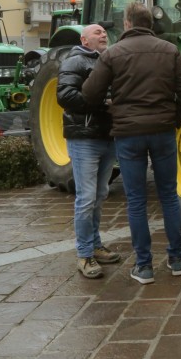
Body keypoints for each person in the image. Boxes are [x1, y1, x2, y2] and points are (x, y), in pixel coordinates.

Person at [82, 2, 181, 285]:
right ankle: (176, 259)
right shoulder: (169, 50)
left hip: (129, 134)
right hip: (162, 131)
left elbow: (90, 94)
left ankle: (144, 267)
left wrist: (113, 108)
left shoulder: (112, 54)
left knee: (136, 201)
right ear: (150, 23)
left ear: (128, 23)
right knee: (169, 196)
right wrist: (173, 120)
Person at [57, 24, 120, 279]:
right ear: (84, 39)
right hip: (85, 138)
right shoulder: (75, 60)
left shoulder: (108, 60)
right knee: (85, 199)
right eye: (97, 32)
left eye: (104, 32)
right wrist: (103, 105)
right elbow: (65, 95)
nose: (103, 34)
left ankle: (95, 244)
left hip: (107, 136)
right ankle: (84, 255)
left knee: (100, 193)